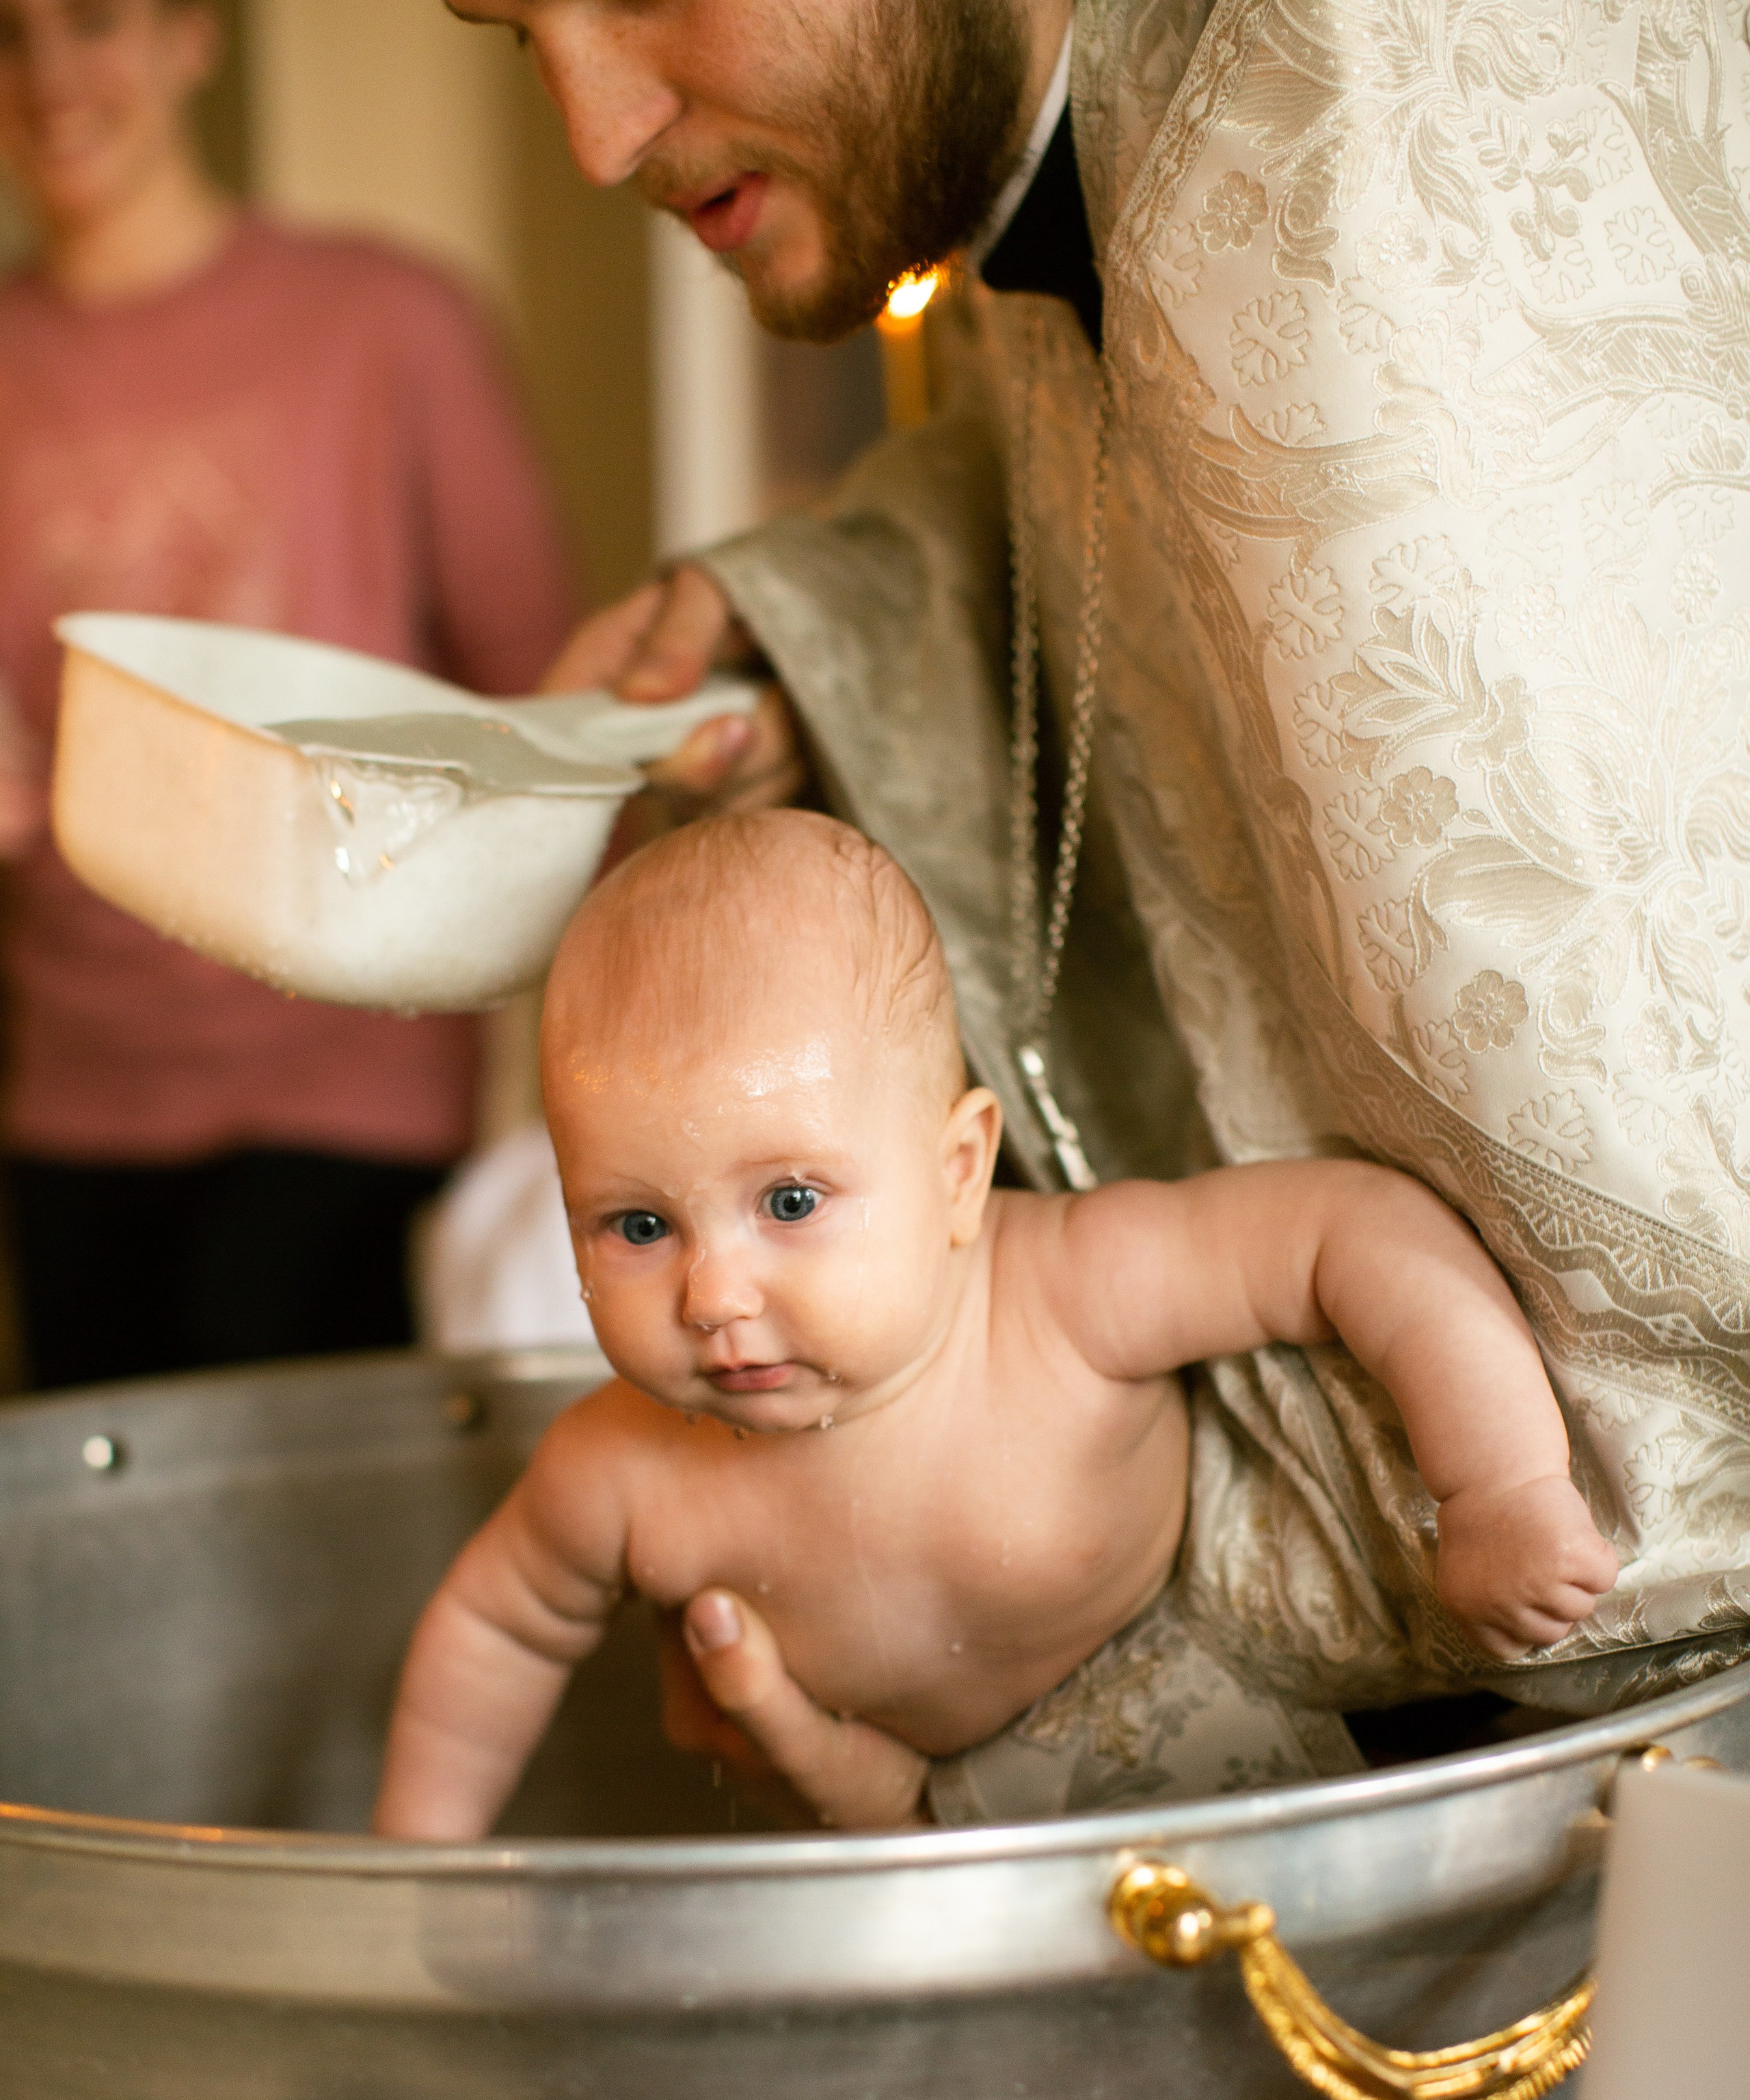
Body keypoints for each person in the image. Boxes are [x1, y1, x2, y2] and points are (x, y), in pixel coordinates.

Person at [440, 0, 1750, 1826]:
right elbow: (1097, 504)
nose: (591, 130)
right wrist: (805, 633)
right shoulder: (1031, 177)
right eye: (512, 33)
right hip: (1321, 1615)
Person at [375, 813, 1617, 1839]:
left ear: (961, 1171)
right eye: (636, 1226)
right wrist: (415, 1862)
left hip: (1214, 1725)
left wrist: (1497, 1482)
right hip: (923, 1827)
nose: (713, 1296)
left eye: (791, 1202)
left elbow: (1347, 1233)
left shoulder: (1067, 1292)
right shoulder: (617, 1469)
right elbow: (495, 1626)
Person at [0, 0, 577, 1388]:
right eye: (8, 35)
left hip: (352, 1086)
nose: (52, 77)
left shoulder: (388, 321)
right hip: (73, 1090)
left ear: (190, 35)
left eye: (93, 21)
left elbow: (548, 699)